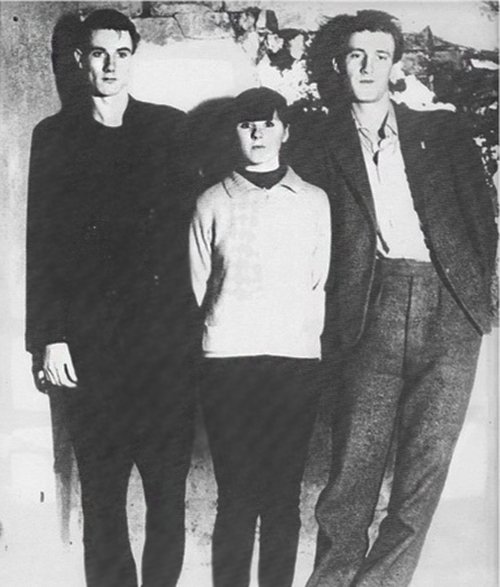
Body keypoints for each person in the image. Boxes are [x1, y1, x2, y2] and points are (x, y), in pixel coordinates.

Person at [288, 10, 497, 587]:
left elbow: (483, 221)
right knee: (353, 466)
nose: (367, 66)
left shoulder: (442, 132)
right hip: (368, 304)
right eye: (356, 55)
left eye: (380, 56)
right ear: (339, 64)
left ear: (395, 66)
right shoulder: (316, 142)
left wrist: (480, 303)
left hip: (450, 307)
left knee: (426, 468)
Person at [26, 9, 197, 587]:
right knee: (101, 498)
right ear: (80, 60)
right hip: (91, 347)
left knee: (166, 495)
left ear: (133, 58)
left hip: (163, 346)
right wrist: (49, 336)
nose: (110, 65)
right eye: (99, 53)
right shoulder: (54, 137)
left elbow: (195, 237)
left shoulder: (170, 129)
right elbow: (42, 241)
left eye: (122, 54)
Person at [189, 87, 331, 587]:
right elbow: (198, 285)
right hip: (228, 363)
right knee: (237, 497)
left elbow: (318, 278)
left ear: (285, 131)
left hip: (294, 362)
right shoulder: (211, 201)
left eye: (267, 123)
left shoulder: (314, 201)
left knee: (282, 498)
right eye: (246, 124)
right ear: (233, 132)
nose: (257, 133)